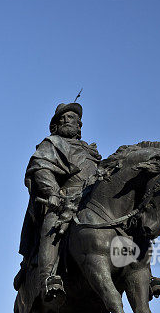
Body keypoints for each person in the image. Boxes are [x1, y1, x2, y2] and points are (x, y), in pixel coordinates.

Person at [17, 102, 102, 301]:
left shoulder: (91, 152)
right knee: (52, 226)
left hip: (91, 200)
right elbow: (41, 168)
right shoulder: (52, 144)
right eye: (61, 118)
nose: (65, 120)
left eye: (71, 117)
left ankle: (142, 272)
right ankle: (47, 278)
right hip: (64, 199)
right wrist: (52, 192)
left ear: (79, 124)